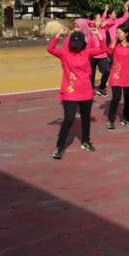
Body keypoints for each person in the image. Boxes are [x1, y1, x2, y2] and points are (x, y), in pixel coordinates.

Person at [48, 27, 108, 159]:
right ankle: (59, 147)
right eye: (74, 44)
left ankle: (86, 141)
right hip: (70, 91)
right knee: (69, 119)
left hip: (86, 91)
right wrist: (58, 35)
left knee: (86, 118)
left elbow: (103, 49)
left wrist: (99, 36)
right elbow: (50, 49)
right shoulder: (64, 52)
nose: (76, 47)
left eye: (78, 44)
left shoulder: (86, 51)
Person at [107, 25, 129, 130]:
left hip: (128, 75)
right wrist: (115, 38)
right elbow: (109, 52)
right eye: (117, 32)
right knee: (116, 98)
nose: (118, 34)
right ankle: (110, 120)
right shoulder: (115, 46)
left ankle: (126, 118)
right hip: (116, 75)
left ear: (126, 34)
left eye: (120, 32)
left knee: (128, 99)